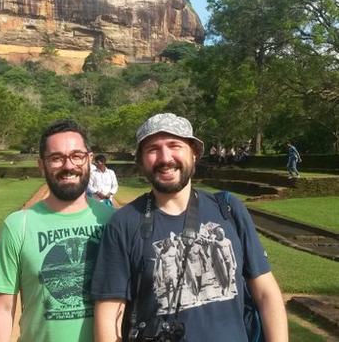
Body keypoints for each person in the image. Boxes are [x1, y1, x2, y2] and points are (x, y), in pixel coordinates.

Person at [92, 112, 288, 342]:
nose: (165, 158)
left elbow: (266, 293)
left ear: (194, 153)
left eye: (175, 145)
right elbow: (109, 311)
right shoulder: (125, 223)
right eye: (153, 149)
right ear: (142, 161)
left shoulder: (228, 209)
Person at [0, 119, 114, 342]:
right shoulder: (18, 226)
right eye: (56, 158)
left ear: (89, 160)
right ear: (41, 165)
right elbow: (2, 309)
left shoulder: (113, 221)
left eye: (77, 156)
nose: (68, 165)